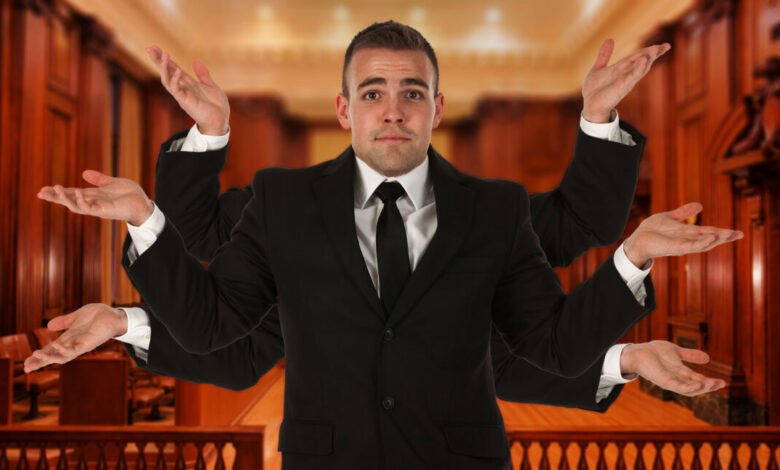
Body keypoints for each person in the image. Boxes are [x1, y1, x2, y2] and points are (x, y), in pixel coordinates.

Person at [33, 21, 740, 470]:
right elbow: (220, 317)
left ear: (436, 107)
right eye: (372, 93)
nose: (393, 109)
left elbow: (541, 337)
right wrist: (152, 209)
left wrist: (605, 146)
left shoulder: (494, 210)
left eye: (411, 92)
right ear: (344, 110)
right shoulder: (281, 201)